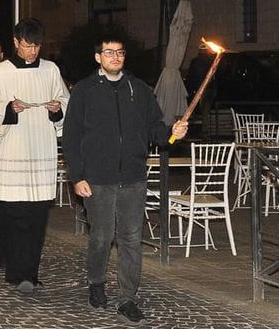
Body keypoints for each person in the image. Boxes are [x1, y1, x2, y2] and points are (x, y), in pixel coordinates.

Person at [62, 34, 188, 325]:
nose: (115, 57)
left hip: (133, 177)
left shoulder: (139, 89)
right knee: (102, 237)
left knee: (131, 239)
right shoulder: (84, 91)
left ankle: (127, 299)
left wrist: (173, 133)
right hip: (98, 178)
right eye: (109, 52)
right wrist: (77, 177)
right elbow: (71, 137)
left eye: (119, 52)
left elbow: (157, 130)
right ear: (98, 57)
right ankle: (96, 283)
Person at [0, 18, 69, 294]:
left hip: (41, 149)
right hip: (14, 148)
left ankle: (30, 272)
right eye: (28, 45)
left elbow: (65, 102)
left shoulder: (51, 69)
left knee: (37, 217)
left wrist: (57, 109)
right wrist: (9, 108)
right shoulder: (1, 72)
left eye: (37, 46)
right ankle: (17, 272)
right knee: (16, 215)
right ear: (16, 42)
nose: (33, 51)